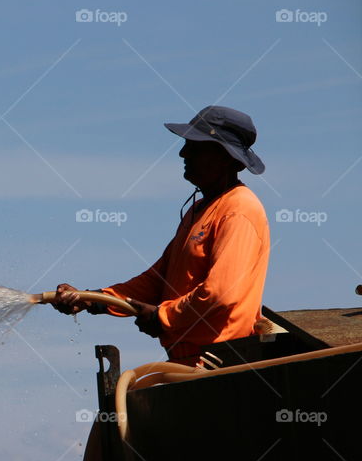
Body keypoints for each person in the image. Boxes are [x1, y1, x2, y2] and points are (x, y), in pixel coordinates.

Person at [50, 106, 270, 366]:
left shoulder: (239, 209)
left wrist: (162, 317)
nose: (182, 153)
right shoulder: (198, 211)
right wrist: (91, 299)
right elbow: (156, 281)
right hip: (190, 362)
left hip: (220, 363)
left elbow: (221, 293)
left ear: (224, 157)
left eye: (195, 146)